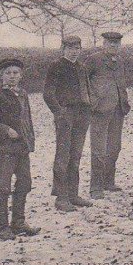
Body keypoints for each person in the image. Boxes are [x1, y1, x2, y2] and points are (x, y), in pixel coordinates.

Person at [0, 58, 40, 241]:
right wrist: (6, 130)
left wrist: (29, 140)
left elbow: (26, 120)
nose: (12, 76)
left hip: (22, 148)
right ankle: (2, 227)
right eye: (8, 73)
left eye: (16, 73)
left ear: (21, 75)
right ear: (2, 75)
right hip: (5, 149)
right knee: (4, 188)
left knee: (24, 184)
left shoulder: (23, 94)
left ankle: (18, 223)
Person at [43, 36, 93, 212]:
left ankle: (73, 194)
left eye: (77, 48)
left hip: (82, 114)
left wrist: (89, 106)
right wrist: (59, 112)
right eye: (70, 48)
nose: (74, 51)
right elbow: (48, 94)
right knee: (63, 155)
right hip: (66, 114)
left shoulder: (82, 67)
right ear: (63, 48)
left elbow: (87, 89)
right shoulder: (56, 66)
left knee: (76, 154)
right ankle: (61, 197)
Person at [84, 31, 131, 199]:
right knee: (99, 149)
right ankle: (95, 187)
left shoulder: (120, 61)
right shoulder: (94, 60)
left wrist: (124, 101)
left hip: (118, 110)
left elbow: (121, 83)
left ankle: (108, 181)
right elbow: (83, 81)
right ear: (103, 44)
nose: (113, 45)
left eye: (116, 43)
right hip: (99, 111)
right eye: (110, 42)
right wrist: (92, 100)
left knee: (114, 147)